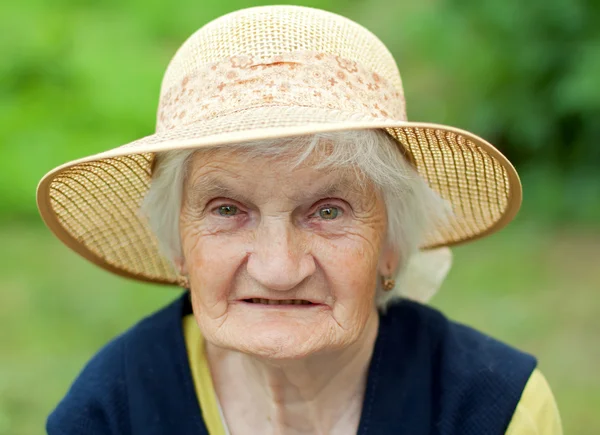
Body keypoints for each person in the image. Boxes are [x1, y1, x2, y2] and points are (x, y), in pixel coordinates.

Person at [37, 5, 562, 434]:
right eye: (227, 210)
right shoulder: (108, 412)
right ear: (178, 244)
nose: (278, 268)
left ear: (391, 246)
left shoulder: (495, 410)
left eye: (328, 211)